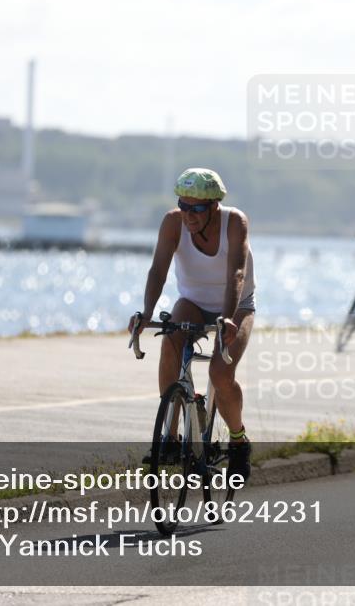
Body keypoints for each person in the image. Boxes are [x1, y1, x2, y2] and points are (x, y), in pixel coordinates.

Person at [128, 168, 255, 480]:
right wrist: (146, 313)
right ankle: (170, 439)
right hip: (194, 304)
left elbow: (237, 273)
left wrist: (227, 317)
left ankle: (239, 441)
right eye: (183, 206)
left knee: (220, 372)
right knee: (170, 342)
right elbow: (158, 269)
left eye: (196, 208)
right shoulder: (173, 222)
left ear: (214, 206)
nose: (189, 215)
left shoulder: (234, 221)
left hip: (236, 306)